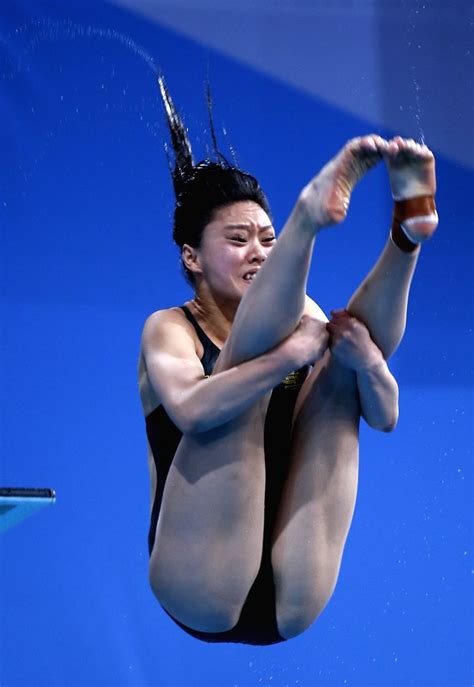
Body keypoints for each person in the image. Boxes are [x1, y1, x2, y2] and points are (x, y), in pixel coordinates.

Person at [138, 77, 438, 645]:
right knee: (238, 380)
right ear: (191, 257)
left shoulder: (301, 317)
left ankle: (407, 234)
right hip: (199, 583)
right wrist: (290, 357)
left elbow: (385, 415)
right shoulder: (169, 328)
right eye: (239, 239)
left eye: (270, 239)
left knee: (342, 371)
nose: (258, 252)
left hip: (291, 590)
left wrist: (367, 363)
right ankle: (309, 218)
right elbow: (194, 413)